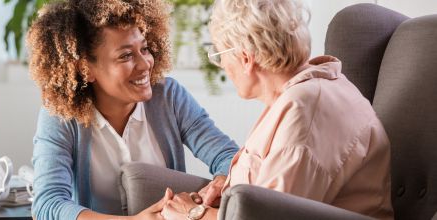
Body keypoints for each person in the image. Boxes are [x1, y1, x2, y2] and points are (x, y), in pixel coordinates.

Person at [160, 0, 393, 219]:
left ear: (245, 58)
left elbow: (272, 215)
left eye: (219, 55)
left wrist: (193, 214)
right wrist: (230, 188)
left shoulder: (304, 112)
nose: (222, 66)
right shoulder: (306, 93)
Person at [26, 0, 239, 219]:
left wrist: (222, 182)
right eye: (126, 55)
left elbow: (228, 157)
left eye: (144, 49)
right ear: (85, 69)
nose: (145, 64)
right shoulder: (62, 117)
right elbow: (47, 204)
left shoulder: (170, 97)